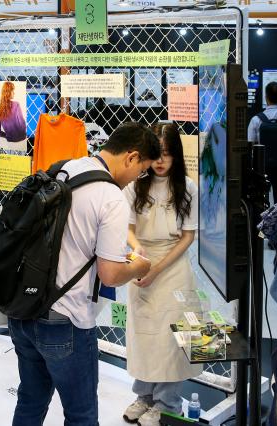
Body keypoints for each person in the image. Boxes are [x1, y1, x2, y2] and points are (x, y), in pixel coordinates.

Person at [8, 121, 159, 426]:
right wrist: (140, 267)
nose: (136, 178)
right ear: (131, 157)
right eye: (141, 170)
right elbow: (110, 274)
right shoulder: (111, 197)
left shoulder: (66, 169)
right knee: (81, 415)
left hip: (23, 308)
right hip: (67, 320)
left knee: (31, 400)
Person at [121, 123, 202, 425]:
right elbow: (128, 229)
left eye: (167, 154)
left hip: (172, 267)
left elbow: (187, 237)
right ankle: (144, 397)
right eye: (156, 154)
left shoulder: (189, 187)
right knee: (143, 337)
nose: (160, 161)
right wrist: (137, 249)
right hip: (140, 263)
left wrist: (156, 268)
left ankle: (167, 403)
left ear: (176, 155)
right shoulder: (134, 185)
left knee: (172, 339)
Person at [248, 81, 277, 204]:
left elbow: (250, 144)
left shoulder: (256, 120)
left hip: (262, 167)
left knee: (261, 198)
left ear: (266, 96)